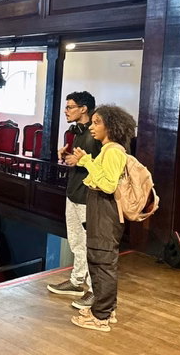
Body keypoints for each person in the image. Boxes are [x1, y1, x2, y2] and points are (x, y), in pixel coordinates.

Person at [69, 105, 136, 333]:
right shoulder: (107, 150)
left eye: (97, 122)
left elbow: (107, 185)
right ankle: (105, 309)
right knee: (98, 261)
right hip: (100, 211)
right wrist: (86, 160)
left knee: (104, 263)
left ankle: (101, 317)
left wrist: (88, 163)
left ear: (111, 126)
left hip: (106, 213)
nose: (92, 127)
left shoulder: (114, 151)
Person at [47, 91, 101, 309]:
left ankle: (94, 290)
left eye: (70, 107)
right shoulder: (78, 132)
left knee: (91, 245)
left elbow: (101, 165)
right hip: (73, 193)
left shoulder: (95, 134)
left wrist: (79, 161)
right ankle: (77, 282)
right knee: (77, 242)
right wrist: (67, 157)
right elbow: (78, 160)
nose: (66, 111)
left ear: (83, 109)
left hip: (88, 196)